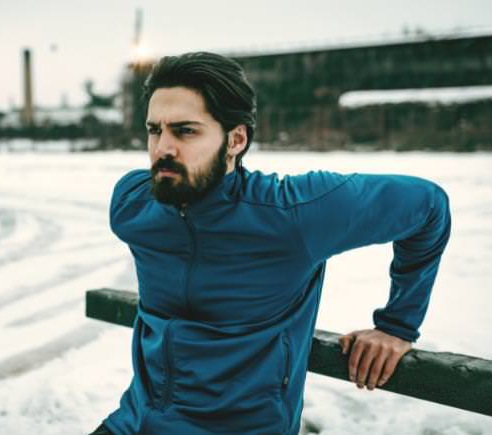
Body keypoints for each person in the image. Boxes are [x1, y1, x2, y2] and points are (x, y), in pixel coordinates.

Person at [91, 52, 451, 435]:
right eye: (154, 130)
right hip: (132, 424)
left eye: (185, 131)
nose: (162, 148)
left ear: (236, 139)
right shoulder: (133, 203)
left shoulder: (295, 213)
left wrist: (397, 326)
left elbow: (429, 207)